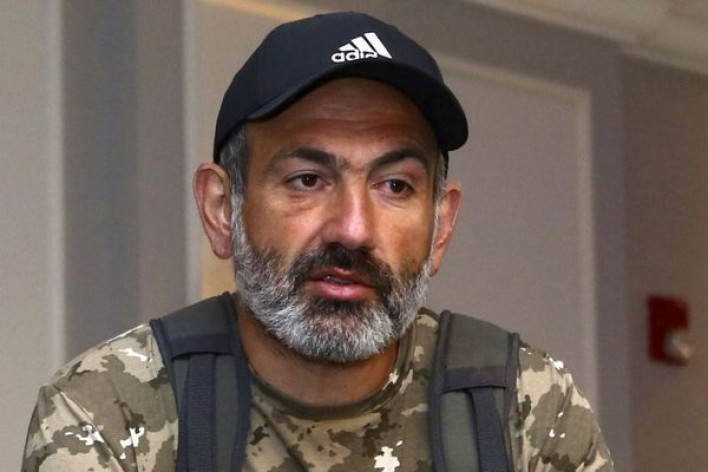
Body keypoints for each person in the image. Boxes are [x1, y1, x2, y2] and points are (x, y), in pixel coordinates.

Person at [22, 11, 613, 472]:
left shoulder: (523, 406)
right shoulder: (112, 405)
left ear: (442, 225)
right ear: (222, 208)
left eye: (395, 185)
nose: (353, 229)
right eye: (308, 180)